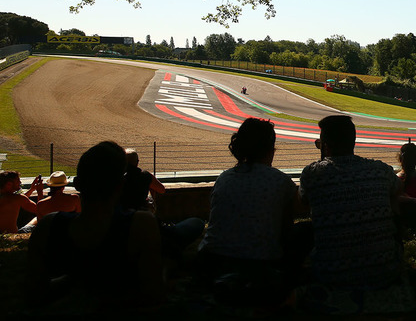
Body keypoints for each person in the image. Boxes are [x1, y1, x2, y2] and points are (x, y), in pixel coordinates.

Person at [28, 141, 164, 313]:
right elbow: (154, 296)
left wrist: (76, 281)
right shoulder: (142, 224)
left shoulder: (47, 226)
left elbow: (34, 295)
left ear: (76, 184)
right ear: (121, 185)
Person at [299, 115, 403, 290]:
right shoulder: (381, 170)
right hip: (385, 272)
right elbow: (398, 189)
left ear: (325, 146)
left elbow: (301, 204)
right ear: (352, 142)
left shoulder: (312, 173)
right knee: (394, 201)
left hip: (330, 276)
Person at [197, 118, 299, 291]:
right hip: (261, 265)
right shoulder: (282, 182)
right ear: (270, 150)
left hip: (211, 261)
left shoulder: (223, 179)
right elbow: (286, 232)